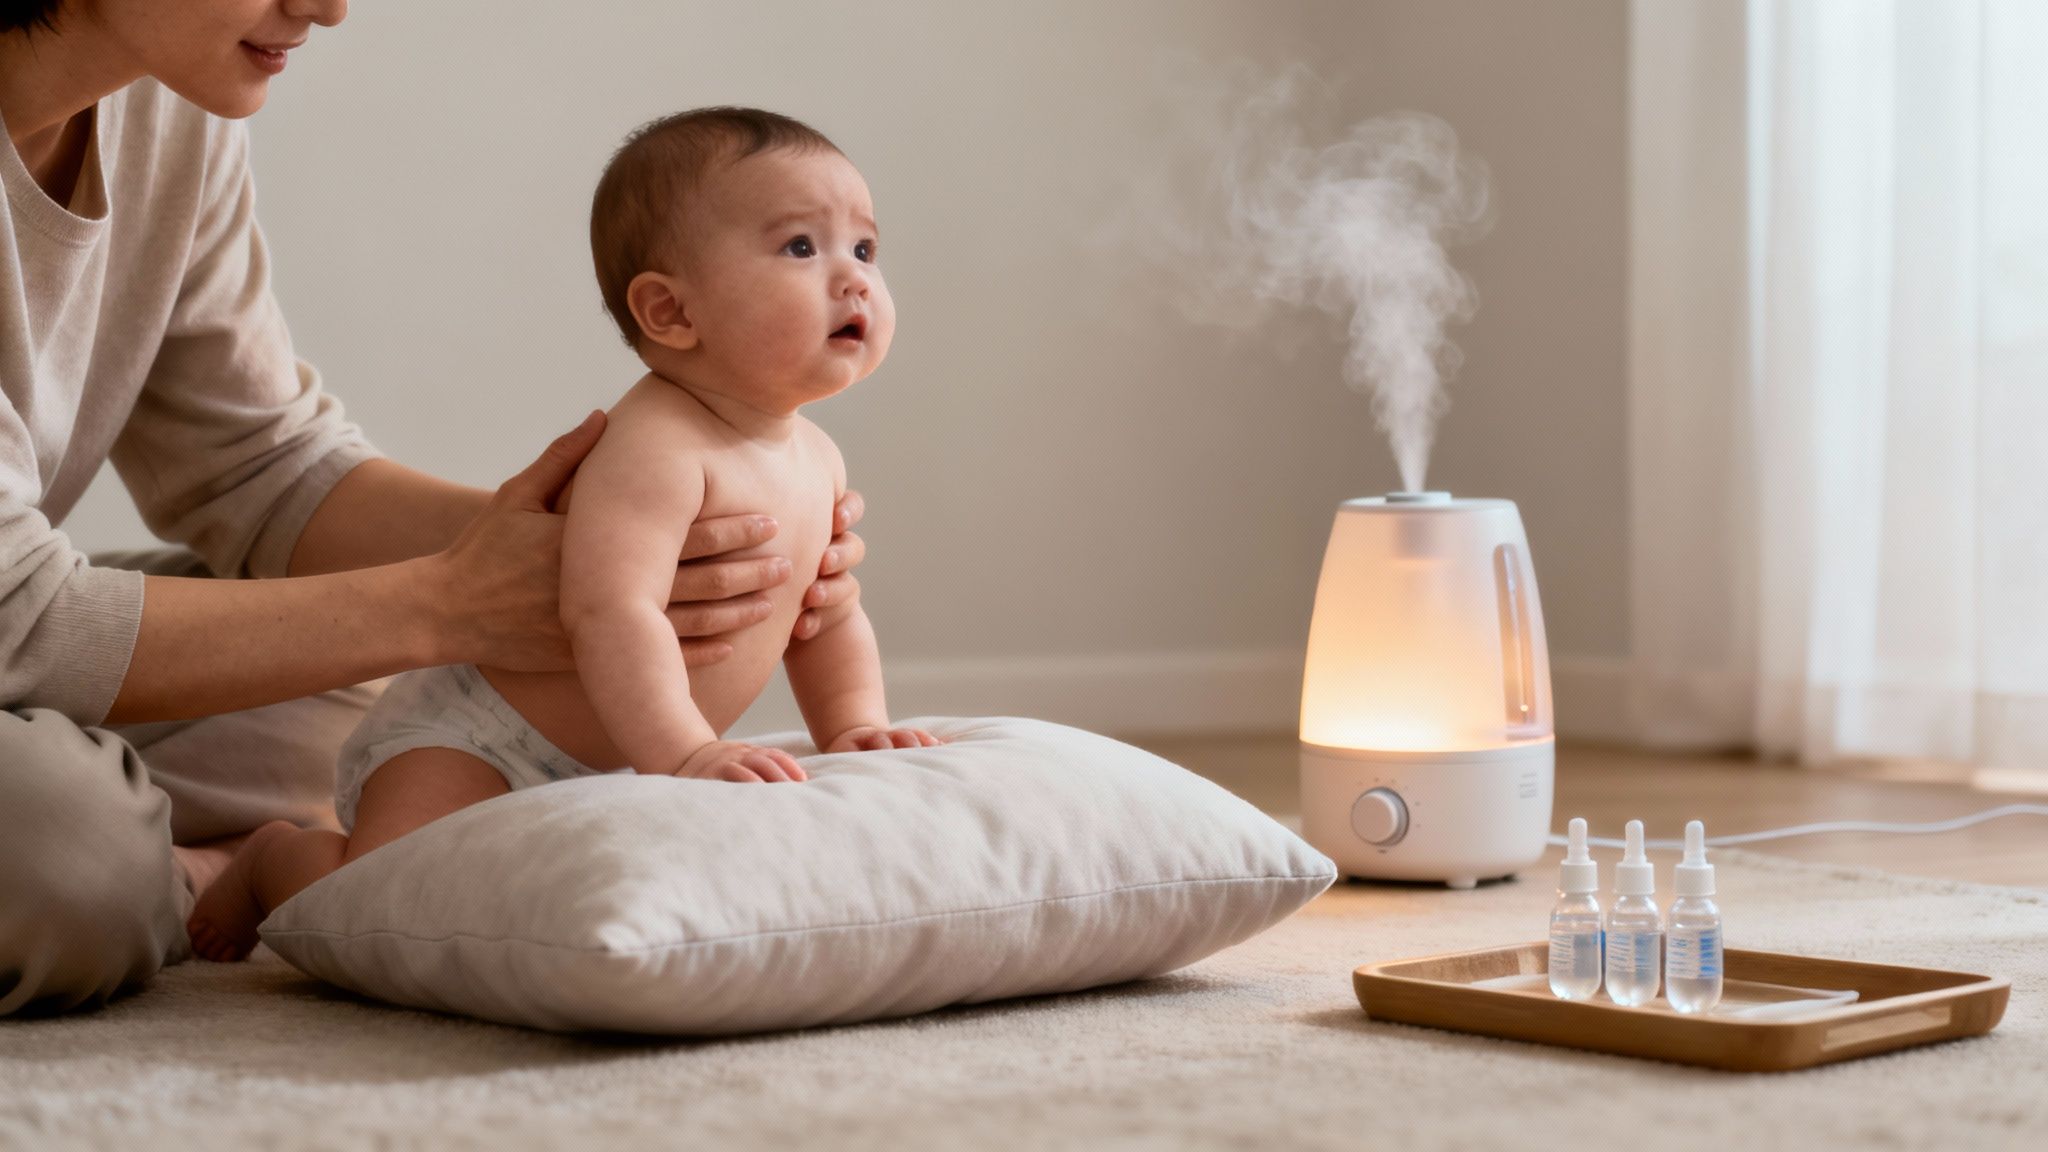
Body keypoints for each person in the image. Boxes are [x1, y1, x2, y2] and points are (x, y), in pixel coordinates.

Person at [0, 2, 868, 1014]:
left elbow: (257, 465)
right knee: (68, 854)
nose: (328, 6)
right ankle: (189, 875)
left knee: (399, 703)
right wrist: (449, 603)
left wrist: (596, 547)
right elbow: (19, 614)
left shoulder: (166, 107)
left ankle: (264, 855)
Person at [189, 107, 942, 959]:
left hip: (621, 757)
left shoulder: (817, 457)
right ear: (670, 310)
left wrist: (853, 725)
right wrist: (684, 753)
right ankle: (277, 860)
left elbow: (824, 616)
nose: (854, 280)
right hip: (477, 741)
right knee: (385, 897)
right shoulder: (657, 446)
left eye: (865, 249)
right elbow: (612, 612)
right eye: (801, 247)